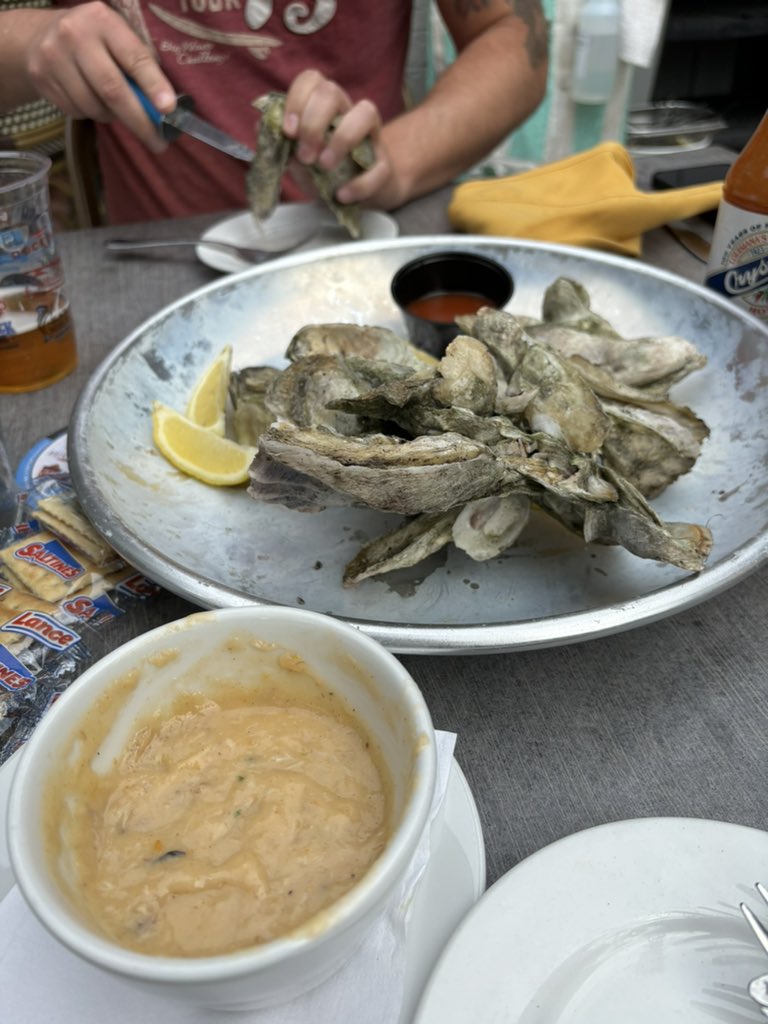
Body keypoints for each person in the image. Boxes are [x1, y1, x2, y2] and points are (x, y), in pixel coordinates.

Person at [0, 0, 548, 224]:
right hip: (160, 255)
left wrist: (399, 161)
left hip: (358, 227)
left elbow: (517, 37)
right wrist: (31, 41)